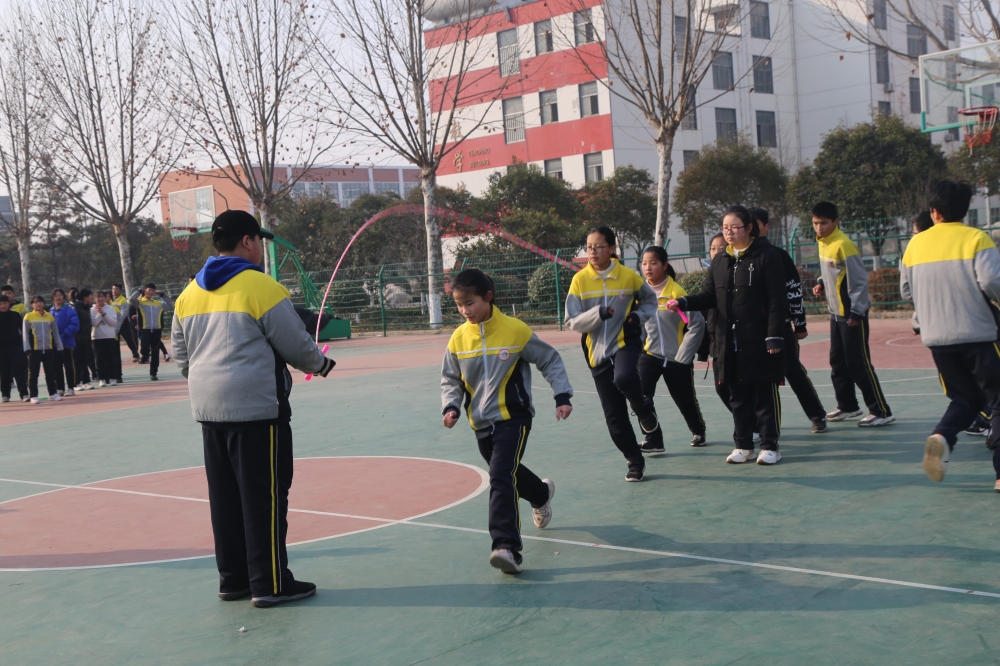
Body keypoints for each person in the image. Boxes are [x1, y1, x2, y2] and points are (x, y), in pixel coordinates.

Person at [171, 209, 335, 608]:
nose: (259, 246)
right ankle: (270, 582)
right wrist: (320, 364)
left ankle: (234, 579)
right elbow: (295, 344)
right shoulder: (261, 287)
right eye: (258, 240)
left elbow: (181, 355)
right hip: (257, 411)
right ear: (247, 241)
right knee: (264, 498)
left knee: (225, 498)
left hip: (209, 409)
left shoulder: (189, 293)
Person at [442, 269, 573, 574]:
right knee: (506, 471)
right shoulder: (459, 338)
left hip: (514, 417)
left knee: (500, 475)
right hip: (480, 422)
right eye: (459, 305)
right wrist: (451, 406)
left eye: (470, 303)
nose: (465, 310)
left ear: (488, 297)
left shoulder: (515, 330)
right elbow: (451, 378)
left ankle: (506, 547)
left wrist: (562, 395)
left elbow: (549, 359)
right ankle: (541, 494)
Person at [899, 181, 1000, 487]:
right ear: (965, 210)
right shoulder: (976, 238)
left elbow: (906, 291)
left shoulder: (915, 245)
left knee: (965, 397)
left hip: (937, 338)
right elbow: (991, 281)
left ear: (934, 212)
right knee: (997, 399)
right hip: (978, 334)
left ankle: (942, 435)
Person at [669, 205, 787, 465]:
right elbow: (708, 296)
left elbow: (777, 301)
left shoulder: (767, 257)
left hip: (757, 339)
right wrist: (683, 302)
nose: (729, 232)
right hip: (727, 341)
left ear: (749, 228)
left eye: (735, 227)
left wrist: (774, 336)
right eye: (725, 228)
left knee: (762, 394)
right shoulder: (721, 260)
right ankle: (743, 446)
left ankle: (770, 447)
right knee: (736, 395)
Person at [565, 226, 658, 481]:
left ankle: (643, 408)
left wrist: (638, 316)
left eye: (599, 247)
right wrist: (598, 314)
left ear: (612, 249)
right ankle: (634, 460)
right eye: (589, 247)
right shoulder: (579, 280)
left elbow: (649, 300)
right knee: (614, 416)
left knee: (625, 377)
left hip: (625, 341)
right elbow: (571, 320)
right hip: (596, 351)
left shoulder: (628, 276)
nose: (593, 252)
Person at [811, 202, 894, 427]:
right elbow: (833, 272)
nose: (819, 227)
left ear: (836, 222)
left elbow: (858, 281)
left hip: (852, 315)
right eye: (816, 223)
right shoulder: (823, 242)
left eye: (824, 223)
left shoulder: (844, 245)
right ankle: (848, 406)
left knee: (859, 364)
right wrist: (821, 282)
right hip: (836, 314)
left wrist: (857, 312)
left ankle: (881, 411)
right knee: (837, 361)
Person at [750, 207, 828, 433]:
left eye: (755, 224)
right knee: (756, 378)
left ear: (766, 227)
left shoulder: (778, 255)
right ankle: (761, 425)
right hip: (752, 329)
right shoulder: (740, 257)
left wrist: (799, 323)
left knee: (792, 371)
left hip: (779, 327)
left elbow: (793, 289)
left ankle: (816, 414)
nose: (750, 229)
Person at [636, 246, 707, 453]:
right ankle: (653, 438)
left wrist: (684, 354)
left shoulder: (677, 293)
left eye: (653, 263)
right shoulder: (640, 294)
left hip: (677, 358)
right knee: (640, 396)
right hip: (649, 355)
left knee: (685, 400)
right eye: (644, 263)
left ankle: (698, 430)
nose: (648, 268)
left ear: (665, 265)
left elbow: (697, 324)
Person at [22, 295, 64, 404]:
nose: (38, 304)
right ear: (32, 304)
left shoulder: (49, 316)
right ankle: (33, 395)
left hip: (49, 349)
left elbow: (55, 333)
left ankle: (53, 393)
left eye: (40, 301)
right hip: (34, 350)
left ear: (43, 303)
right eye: (36, 302)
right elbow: (25, 334)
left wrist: (59, 347)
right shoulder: (28, 316)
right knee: (33, 374)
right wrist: (27, 349)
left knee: (50, 372)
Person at [130, 283, 172, 381]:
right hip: (145, 330)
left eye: (153, 290)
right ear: (145, 290)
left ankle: (153, 373)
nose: (151, 292)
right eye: (149, 290)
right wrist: (139, 291)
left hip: (157, 331)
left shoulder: (158, 303)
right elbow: (131, 299)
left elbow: (170, 305)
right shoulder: (140, 302)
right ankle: (144, 355)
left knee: (155, 353)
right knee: (144, 350)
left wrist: (162, 295)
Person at [0, 295, 28, 402]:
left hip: (16, 347)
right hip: (1, 349)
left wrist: (24, 345)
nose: (3, 306)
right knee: (4, 372)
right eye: (0, 304)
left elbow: (23, 330)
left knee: (19, 370)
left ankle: (24, 394)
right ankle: (5, 395)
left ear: (9, 304)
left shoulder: (15, 315)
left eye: (5, 303)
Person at [91, 291, 118, 387]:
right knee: (99, 360)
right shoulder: (92, 310)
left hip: (109, 336)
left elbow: (113, 322)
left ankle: (113, 378)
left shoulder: (110, 308)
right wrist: (99, 313)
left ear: (105, 298)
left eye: (102, 297)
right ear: (94, 299)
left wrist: (104, 313)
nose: (100, 299)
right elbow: (94, 323)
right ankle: (102, 379)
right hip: (97, 337)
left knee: (111, 358)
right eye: (98, 297)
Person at [71, 289, 95, 390]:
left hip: (86, 337)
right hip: (77, 338)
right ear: (85, 297)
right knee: (77, 361)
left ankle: (86, 381)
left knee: (85, 360)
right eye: (90, 296)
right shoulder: (76, 308)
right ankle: (76, 383)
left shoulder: (87, 308)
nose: (91, 297)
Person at [112, 283, 139, 364]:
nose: (114, 291)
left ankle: (135, 354)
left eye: (116, 289)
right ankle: (116, 357)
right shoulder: (110, 300)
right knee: (115, 341)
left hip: (124, 324)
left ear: (120, 290)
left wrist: (119, 320)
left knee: (129, 340)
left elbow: (124, 313)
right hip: (114, 323)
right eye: (113, 289)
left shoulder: (123, 300)